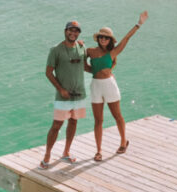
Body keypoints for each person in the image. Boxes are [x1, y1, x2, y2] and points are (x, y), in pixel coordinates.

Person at [85, 11, 148, 161]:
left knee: (117, 115)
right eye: (101, 37)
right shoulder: (90, 51)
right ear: (98, 38)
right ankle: (99, 151)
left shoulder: (113, 52)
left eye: (106, 37)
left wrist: (138, 24)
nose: (103, 39)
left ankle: (123, 142)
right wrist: (80, 46)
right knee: (98, 120)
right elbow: (81, 62)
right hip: (96, 86)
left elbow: (126, 38)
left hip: (109, 85)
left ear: (110, 39)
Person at [41, 20, 87, 168]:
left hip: (79, 94)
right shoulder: (56, 50)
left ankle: (66, 153)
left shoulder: (81, 47)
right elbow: (48, 72)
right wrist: (60, 89)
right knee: (56, 125)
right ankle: (47, 156)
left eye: (76, 31)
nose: (73, 33)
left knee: (73, 122)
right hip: (63, 96)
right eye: (70, 30)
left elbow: (85, 65)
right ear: (65, 31)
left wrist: (104, 72)